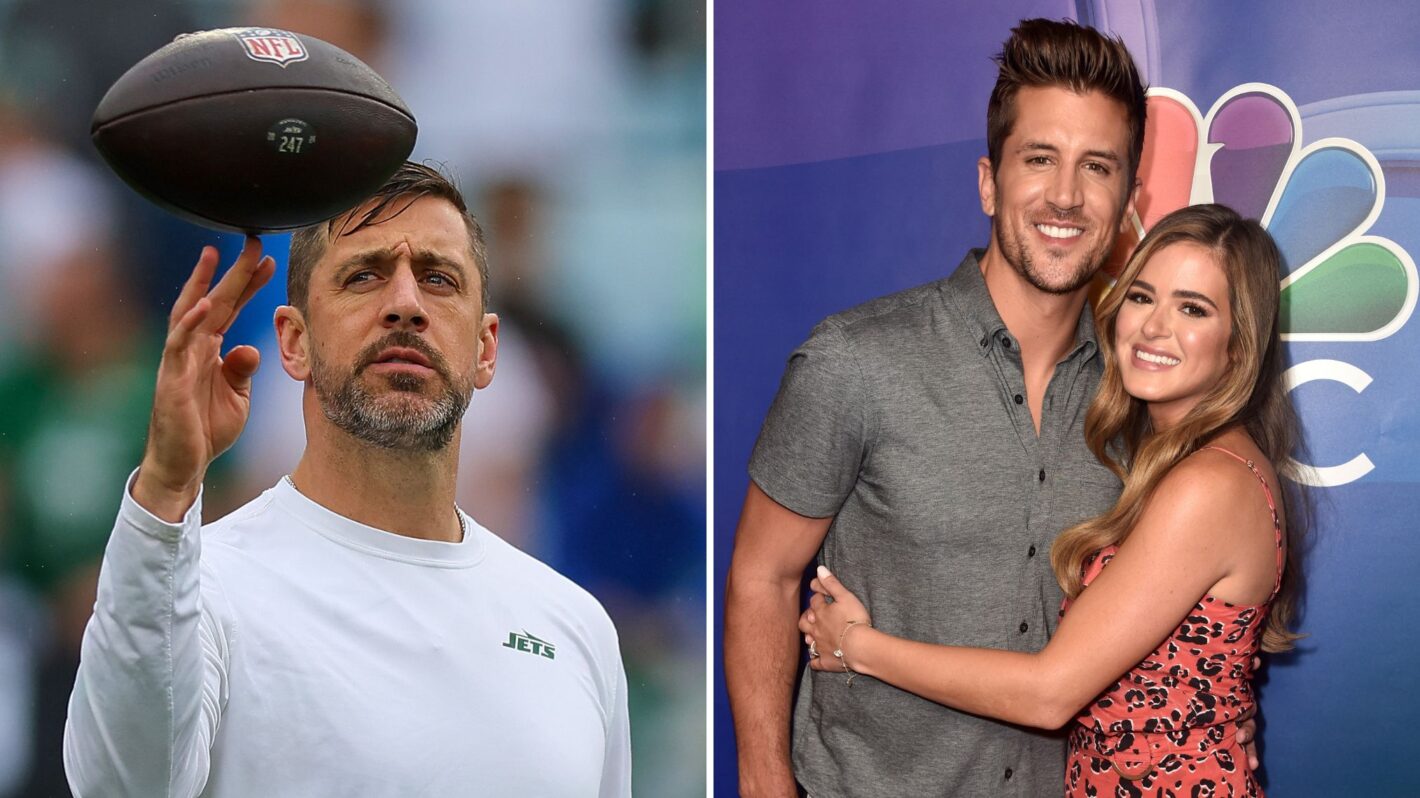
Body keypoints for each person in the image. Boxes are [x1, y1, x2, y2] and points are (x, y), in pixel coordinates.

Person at [724, 17, 1247, 798]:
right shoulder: (855, 361)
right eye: (1039, 159)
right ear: (988, 181)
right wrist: (765, 782)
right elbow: (762, 578)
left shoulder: (1141, 397)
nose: (1066, 196)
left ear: (1129, 200)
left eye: (1097, 167)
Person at [62, 162, 632, 797]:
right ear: (294, 341)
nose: (406, 305)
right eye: (365, 276)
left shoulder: (574, 627)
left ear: (486, 349)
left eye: (439, 279)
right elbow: (120, 784)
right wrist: (167, 489)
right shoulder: (204, 590)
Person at [801, 203, 1303, 796]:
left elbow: (1049, 694)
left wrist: (855, 644)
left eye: (1193, 308)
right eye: (1142, 297)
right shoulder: (1185, 459)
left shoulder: (1207, 485)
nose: (1154, 327)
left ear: (1239, 347)